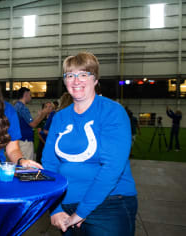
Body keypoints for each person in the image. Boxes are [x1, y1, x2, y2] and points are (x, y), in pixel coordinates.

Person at [42, 52, 137, 235]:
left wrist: (82, 211)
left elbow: (112, 167)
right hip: (65, 206)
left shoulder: (112, 112)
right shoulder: (60, 117)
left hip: (109, 204)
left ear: (95, 79)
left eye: (83, 74)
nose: (76, 81)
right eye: (70, 75)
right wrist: (54, 208)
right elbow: (49, 164)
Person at [14, 87, 52, 161]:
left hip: (19, 139)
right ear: (26, 94)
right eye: (30, 95)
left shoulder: (16, 106)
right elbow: (33, 124)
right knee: (26, 164)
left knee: (19, 163)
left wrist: (39, 115)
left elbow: (29, 122)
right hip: (25, 140)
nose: (31, 97)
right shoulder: (22, 108)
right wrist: (44, 114)